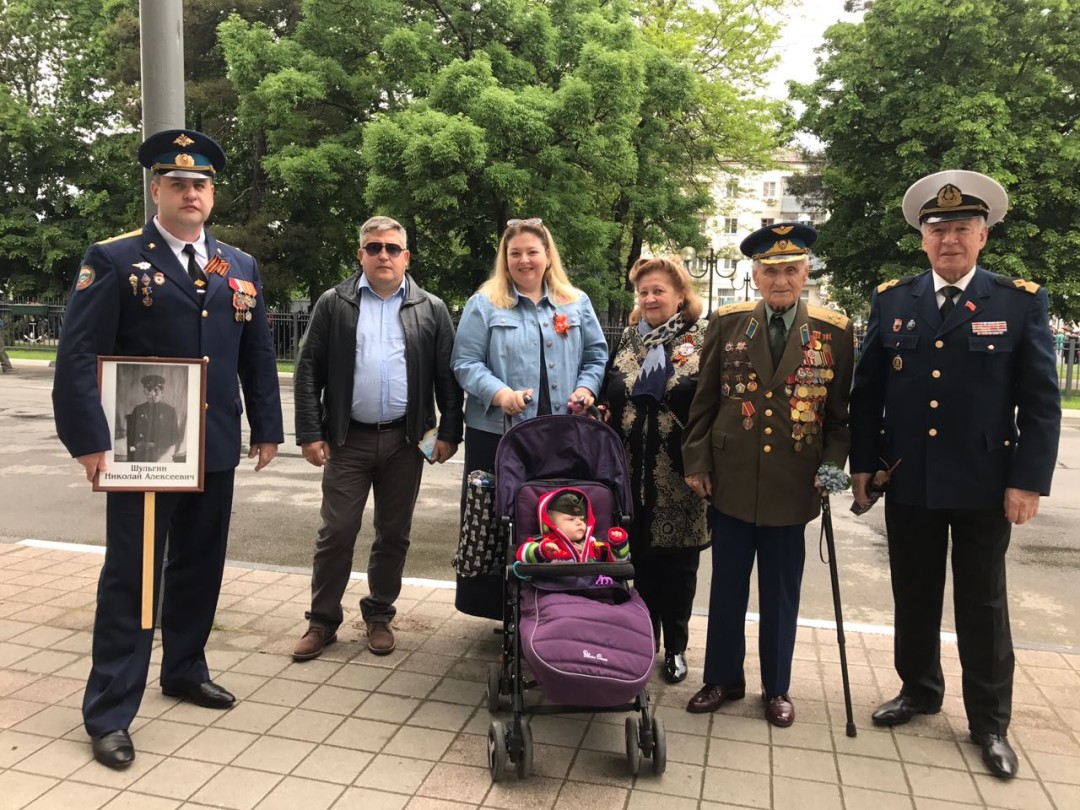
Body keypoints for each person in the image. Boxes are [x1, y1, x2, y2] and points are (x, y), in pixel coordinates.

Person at [52, 129, 284, 769]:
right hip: (143, 450)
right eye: (178, 183)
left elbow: (257, 357)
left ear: (212, 194)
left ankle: (183, 669)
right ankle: (109, 711)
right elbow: (77, 354)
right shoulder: (116, 258)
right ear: (156, 190)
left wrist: (267, 425)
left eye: (201, 184)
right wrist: (88, 439)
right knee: (133, 578)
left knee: (199, 568)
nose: (191, 193)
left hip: (211, 448)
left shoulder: (237, 267)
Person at [849, 170, 1061, 780]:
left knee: (983, 601)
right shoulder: (894, 299)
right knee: (913, 592)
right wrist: (863, 466)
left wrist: (1027, 481)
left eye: (962, 228)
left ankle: (989, 721)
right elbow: (868, 395)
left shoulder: (1017, 300)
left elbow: (1041, 401)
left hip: (983, 482)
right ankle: (919, 690)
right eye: (938, 229)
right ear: (922, 238)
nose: (949, 239)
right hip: (908, 479)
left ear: (982, 236)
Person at [681, 222, 854, 727]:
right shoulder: (729, 322)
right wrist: (697, 462)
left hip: (794, 482)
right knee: (727, 586)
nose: (782, 281)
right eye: (772, 271)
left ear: (806, 275)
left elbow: (841, 419)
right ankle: (721, 679)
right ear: (756, 276)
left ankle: (776, 687)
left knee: (782, 591)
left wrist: (832, 470)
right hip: (730, 478)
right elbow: (705, 400)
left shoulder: (834, 332)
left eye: (792, 271)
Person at [292, 215, 463, 662]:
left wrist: (448, 433)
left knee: (394, 534)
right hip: (348, 440)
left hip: (407, 442)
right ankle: (322, 621)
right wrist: (310, 433)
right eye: (374, 247)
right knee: (337, 530)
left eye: (391, 248)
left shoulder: (432, 308)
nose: (382, 255)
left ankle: (379, 615)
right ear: (361, 254)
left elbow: (448, 377)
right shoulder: (334, 303)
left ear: (406, 256)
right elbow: (307, 370)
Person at [450, 217, 608, 618]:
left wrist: (586, 389)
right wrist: (499, 393)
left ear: (547, 255)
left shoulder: (576, 302)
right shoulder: (484, 304)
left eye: (532, 252)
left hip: (562, 434)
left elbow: (596, 356)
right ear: (505, 258)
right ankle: (504, 614)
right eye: (515, 253)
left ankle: (554, 607)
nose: (524, 260)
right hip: (499, 436)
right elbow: (465, 363)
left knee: (554, 519)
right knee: (501, 521)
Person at [600, 256, 709, 684]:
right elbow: (613, 389)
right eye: (643, 292)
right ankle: (644, 639)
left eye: (659, 290)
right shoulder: (629, 339)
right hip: (628, 475)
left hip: (681, 478)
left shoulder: (701, 339)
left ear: (681, 295)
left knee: (678, 570)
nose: (649, 298)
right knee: (636, 563)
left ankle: (677, 647)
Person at [515, 488, 629, 563]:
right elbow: (522, 555)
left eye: (582, 519)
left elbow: (619, 562)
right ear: (550, 523)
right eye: (570, 519)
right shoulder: (547, 544)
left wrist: (618, 544)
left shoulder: (593, 545)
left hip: (591, 591)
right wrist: (541, 551)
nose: (579, 523)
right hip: (553, 590)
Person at [126, 374, 180, 462]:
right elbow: (131, 434)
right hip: (141, 452)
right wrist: (137, 444)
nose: (152, 394)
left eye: (156, 390)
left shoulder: (170, 411)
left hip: (162, 451)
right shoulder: (138, 410)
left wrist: (155, 444)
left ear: (162, 392)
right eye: (148, 390)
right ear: (144, 391)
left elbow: (175, 436)